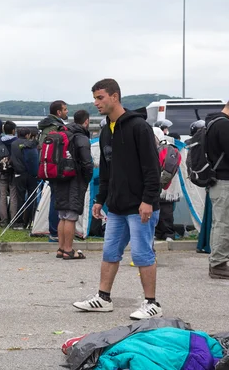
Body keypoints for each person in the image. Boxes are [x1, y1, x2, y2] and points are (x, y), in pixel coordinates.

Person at [73, 79, 162, 320]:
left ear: (114, 96)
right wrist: (100, 199)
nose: (96, 103)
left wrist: (148, 200)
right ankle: (103, 297)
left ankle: (152, 303)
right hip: (116, 206)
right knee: (110, 251)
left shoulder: (139, 127)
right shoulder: (105, 131)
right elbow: (107, 170)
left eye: (100, 97)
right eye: (94, 98)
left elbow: (152, 168)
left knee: (142, 254)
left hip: (140, 205)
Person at [205, 93, 229, 279]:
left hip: (215, 179)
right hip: (224, 179)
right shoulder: (223, 124)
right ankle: (219, 264)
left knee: (218, 222)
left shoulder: (213, 122)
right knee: (224, 223)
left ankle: (217, 261)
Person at [53, 110, 93, 259]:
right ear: (86, 121)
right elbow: (87, 163)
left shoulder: (64, 133)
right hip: (74, 180)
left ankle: (61, 248)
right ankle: (69, 250)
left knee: (62, 215)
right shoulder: (81, 137)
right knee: (71, 216)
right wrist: (86, 178)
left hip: (60, 178)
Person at [38, 100, 68, 242]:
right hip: (57, 167)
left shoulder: (45, 127)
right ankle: (55, 232)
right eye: (65, 109)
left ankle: (54, 231)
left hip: (46, 167)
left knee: (53, 198)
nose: (67, 112)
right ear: (58, 112)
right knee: (58, 200)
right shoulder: (58, 127)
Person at [0, 121, 18, 226]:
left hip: (1, 171)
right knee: (13, 196)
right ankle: (13, 219)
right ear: (13, 130)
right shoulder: (17, 141)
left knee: (2, 196)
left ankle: (3, 221)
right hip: (13, 172)